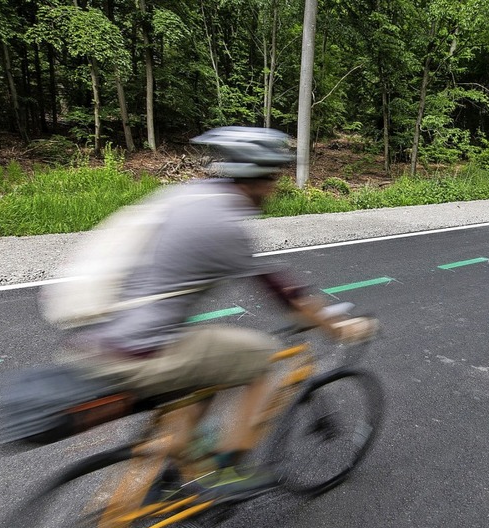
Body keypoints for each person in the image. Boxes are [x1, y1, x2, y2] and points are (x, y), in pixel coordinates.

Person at [63, 126, 376, 501]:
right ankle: (226, 471)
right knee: (258, 356)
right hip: (141, 349)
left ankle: (181, 466)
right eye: (273, 179)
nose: (274, 189)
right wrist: (339, 327)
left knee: (208, 367)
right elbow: (283, 292)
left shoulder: (188, 195)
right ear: (257, 178)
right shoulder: (225, 224)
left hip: (102, 336)